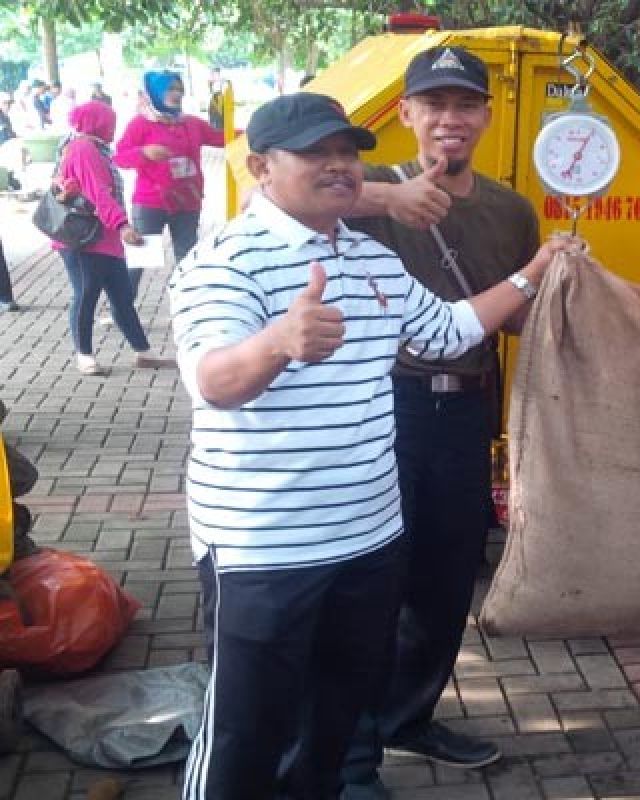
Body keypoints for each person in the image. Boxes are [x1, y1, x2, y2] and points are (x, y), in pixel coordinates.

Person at [169, 91, 570, 799]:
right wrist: (278, 342)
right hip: (266, 547)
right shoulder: (226, 261)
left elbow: (447, 330)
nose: (339, 166)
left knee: (335, 718)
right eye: (316, 153)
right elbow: (214, 381)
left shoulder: (370, 260)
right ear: (262, 167)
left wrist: (532, 273)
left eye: (348, 152)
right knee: (246, 728)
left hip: (369, 539)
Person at [336, 45, 542, 797]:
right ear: (407, 114)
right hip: (385, 405)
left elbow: (510, 315)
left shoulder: (511, 210)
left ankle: (409, 717)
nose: (450, 119)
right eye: (435, 104)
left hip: (470, 405)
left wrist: (578, 294)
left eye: (465, 105)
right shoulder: (367, 188)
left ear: (486, 116)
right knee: (372, 575)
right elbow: (292, 198)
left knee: (448, 573)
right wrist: (387, 201)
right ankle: (351, 741)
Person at [51, 101, 172, 376]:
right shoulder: (84, 148)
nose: (114, 129)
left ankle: (143, 352)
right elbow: (98, 192)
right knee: (86, 293)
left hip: (103, 238)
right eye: (111, 123)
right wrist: (122, 225)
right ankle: (84, 354)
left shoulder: (95, 148)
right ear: (97, 123)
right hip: (85, 239)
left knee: (121, 296)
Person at [114, 70, 225, 293]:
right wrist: (144, 153)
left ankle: (190, 303)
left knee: (188, 257)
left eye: (179, 89)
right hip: (151, 203)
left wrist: (257, 131)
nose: (177, 94)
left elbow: (221, 137)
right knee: (142, 257)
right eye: (170, 89)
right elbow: (119, 158)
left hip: (187, 202)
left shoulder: (191, 123)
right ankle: (123, 306)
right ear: (155, 93)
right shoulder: (140, 124)